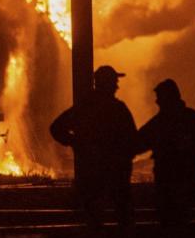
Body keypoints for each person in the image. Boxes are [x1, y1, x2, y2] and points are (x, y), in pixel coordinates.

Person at [50, 65, 137, 225]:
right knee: (123, 215)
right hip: (115, 172)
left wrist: (75, 142)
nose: (117, 86)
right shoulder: (117, 109)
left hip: (91, 171)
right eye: (114, 82)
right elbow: (132, 139)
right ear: (107, 83)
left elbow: (56, 128)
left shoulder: (85, 108)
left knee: (93, 216)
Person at [135, 78, 195, 225]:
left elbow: (136, 144)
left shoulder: (160, 123)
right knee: (185, 225)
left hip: (167, 188)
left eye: (159, 99)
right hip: (188, 186)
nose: (157, 102)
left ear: (166, 99)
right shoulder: (193, 119)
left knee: (168, 226)